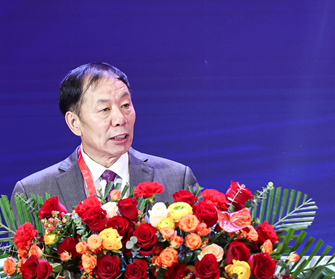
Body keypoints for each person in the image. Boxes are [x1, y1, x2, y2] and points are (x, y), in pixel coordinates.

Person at [12, 63, 198, 211]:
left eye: (125, 105)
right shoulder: (32, 193)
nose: (120, 119)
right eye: (104, 109)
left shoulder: (177, 179)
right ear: (74, 122)